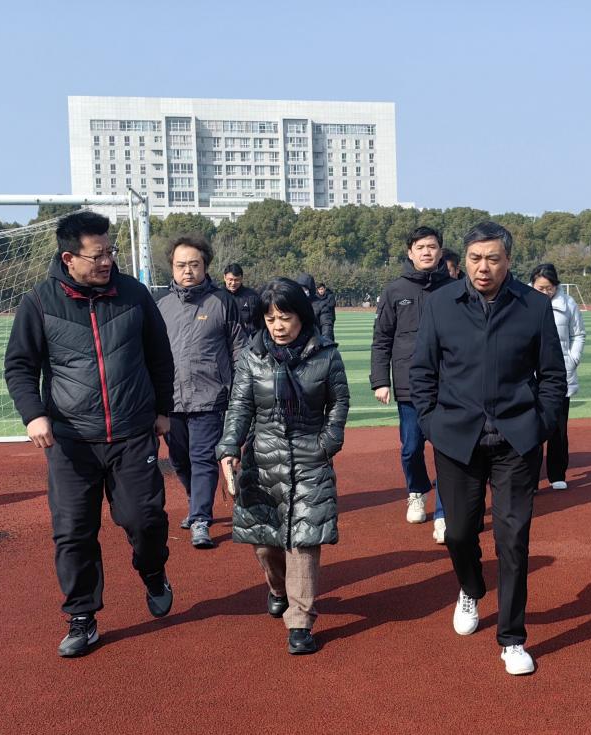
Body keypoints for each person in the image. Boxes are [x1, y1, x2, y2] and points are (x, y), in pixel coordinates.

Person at [3, 211, 175, 658]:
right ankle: (82, 617)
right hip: (71, 441)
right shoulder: (39, 302)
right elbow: (19, 366)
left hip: (132, 433)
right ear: (69, 258)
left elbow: (160, 356)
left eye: (109, 252)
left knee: (144, 520)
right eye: (97, 255)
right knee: (73, 531)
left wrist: (163, 410)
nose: (107, 261)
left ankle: (153, 572)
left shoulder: (134, 294)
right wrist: (33, 415)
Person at [410, 221, 567, 676]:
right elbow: (422, 372)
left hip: (516, 441)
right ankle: (471, 588)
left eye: (493, 259)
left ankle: (513, 638)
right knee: (459, 533)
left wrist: (541, 425)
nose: (483, 267)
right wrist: (431, 423)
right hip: (456, 440)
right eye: (475, 258)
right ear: (464, 260)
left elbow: (552, 377)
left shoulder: (534, 306)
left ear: (508, 261)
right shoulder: (441, 304)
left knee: (513, 540)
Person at [217, 278, 350, 656]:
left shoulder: (325, 354)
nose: (278, 326)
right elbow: (240, 406)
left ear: (301, 317)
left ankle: (300, 621)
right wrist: (229, 446)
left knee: (303, 542)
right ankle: (278, 588)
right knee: (265, 543)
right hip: (263, 460)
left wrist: (328, 442)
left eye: (285, 318)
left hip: (310, 459)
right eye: (271, 318)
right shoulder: (252, 357)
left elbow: (339, 402)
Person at [158, 235, 246, 548]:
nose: (188, 270)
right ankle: (195, 499)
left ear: (205, 266)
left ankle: (200, 519)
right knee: (179, 461)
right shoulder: (160, 305)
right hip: (171, 400)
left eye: (194, 264)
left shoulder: (222, 302)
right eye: (181, 265)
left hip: (210, 397)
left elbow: (239, 349)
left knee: (203, 459)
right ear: (172, 267)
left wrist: (239, 392)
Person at [370, 226, 454, 540]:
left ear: (440, 251)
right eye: (420, 247)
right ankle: (417, 491)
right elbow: (382, 339)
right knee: (411, 448)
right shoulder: (395, 291)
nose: (426, 252)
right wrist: (381, 380)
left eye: (432, 246)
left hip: (449, 384)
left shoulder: (456, 288)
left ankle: (444, 513)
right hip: (409, 383)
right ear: (410, 252)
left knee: (447, 450)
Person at [529, 263, 586, 491]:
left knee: (558, 426)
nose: (545, 292)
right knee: (529, 427)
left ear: (556, 286)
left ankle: (557, 473)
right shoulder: (522, 302)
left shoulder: (568, 304)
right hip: (530, 374)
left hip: (560, 373)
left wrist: (572, 360)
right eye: (540, 288)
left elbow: (578, 334)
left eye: (549, 288)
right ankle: (530, 478)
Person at [295, 273, 335, 341]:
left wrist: (325, 341)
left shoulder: (321, 305)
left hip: (314, 341)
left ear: (310, 290)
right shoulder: (292, 304)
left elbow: (326, 325)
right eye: (300, 289)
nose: (302, 291)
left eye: (305, 289)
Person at [223, 263, 260, 335]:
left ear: (241, 278)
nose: (233, 283)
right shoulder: (218, 297)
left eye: (236, 280)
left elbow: (258, 321)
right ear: (224, 278)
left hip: (247, 337)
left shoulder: (252, 296)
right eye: (230, 280)